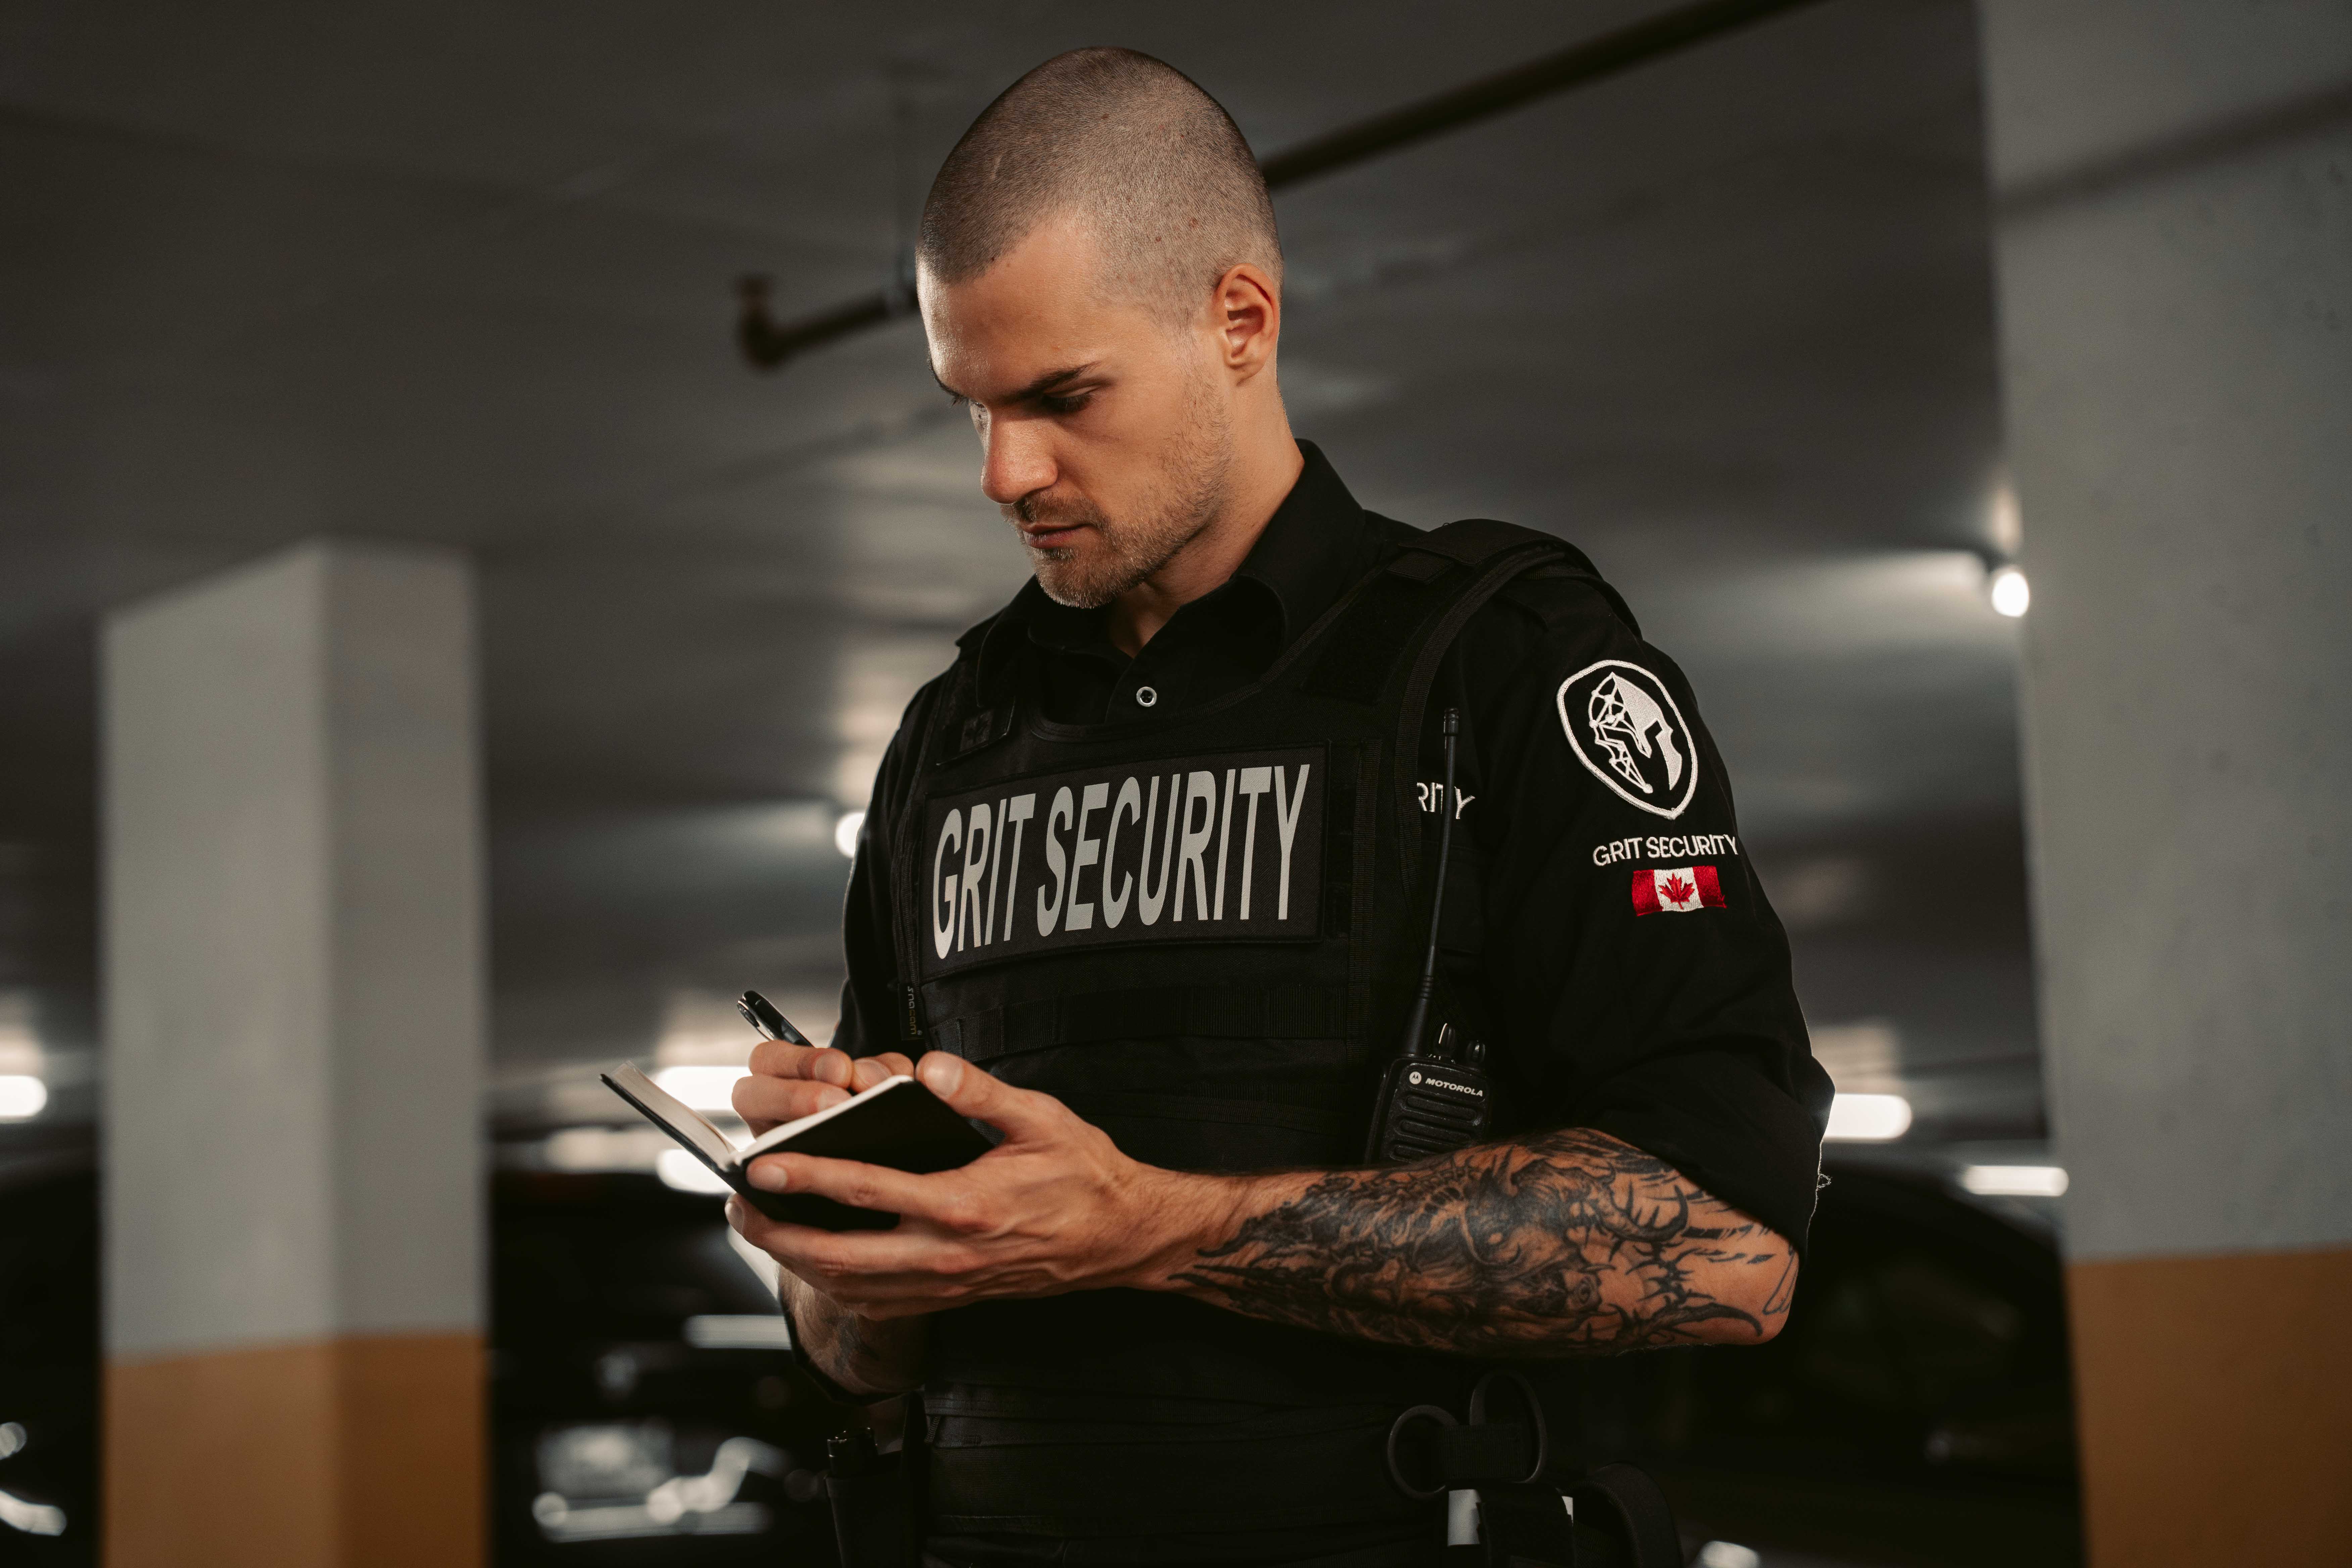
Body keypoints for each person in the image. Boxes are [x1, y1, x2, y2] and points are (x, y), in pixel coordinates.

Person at [728, 46, 1831, 1567]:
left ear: (1238, 319)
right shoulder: (951, 743)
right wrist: (842, 1250)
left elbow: (1728, 1248)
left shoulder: (1505, 664)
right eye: (968, 407)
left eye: (1062, 396)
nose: (1003, 471)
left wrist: (1149, 1225)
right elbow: (859, 1356)